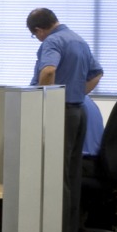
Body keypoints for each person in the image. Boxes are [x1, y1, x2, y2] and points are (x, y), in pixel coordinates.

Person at [27, 8, 104, 156]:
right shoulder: (79, 40)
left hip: (60, 112)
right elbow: (97, 73)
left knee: (56, 164)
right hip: (78, 110)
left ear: (39, 30)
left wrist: (44, 102)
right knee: (73, 164)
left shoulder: (52, 41)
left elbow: (49, 70)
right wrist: (79, 92)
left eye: (34, 35)